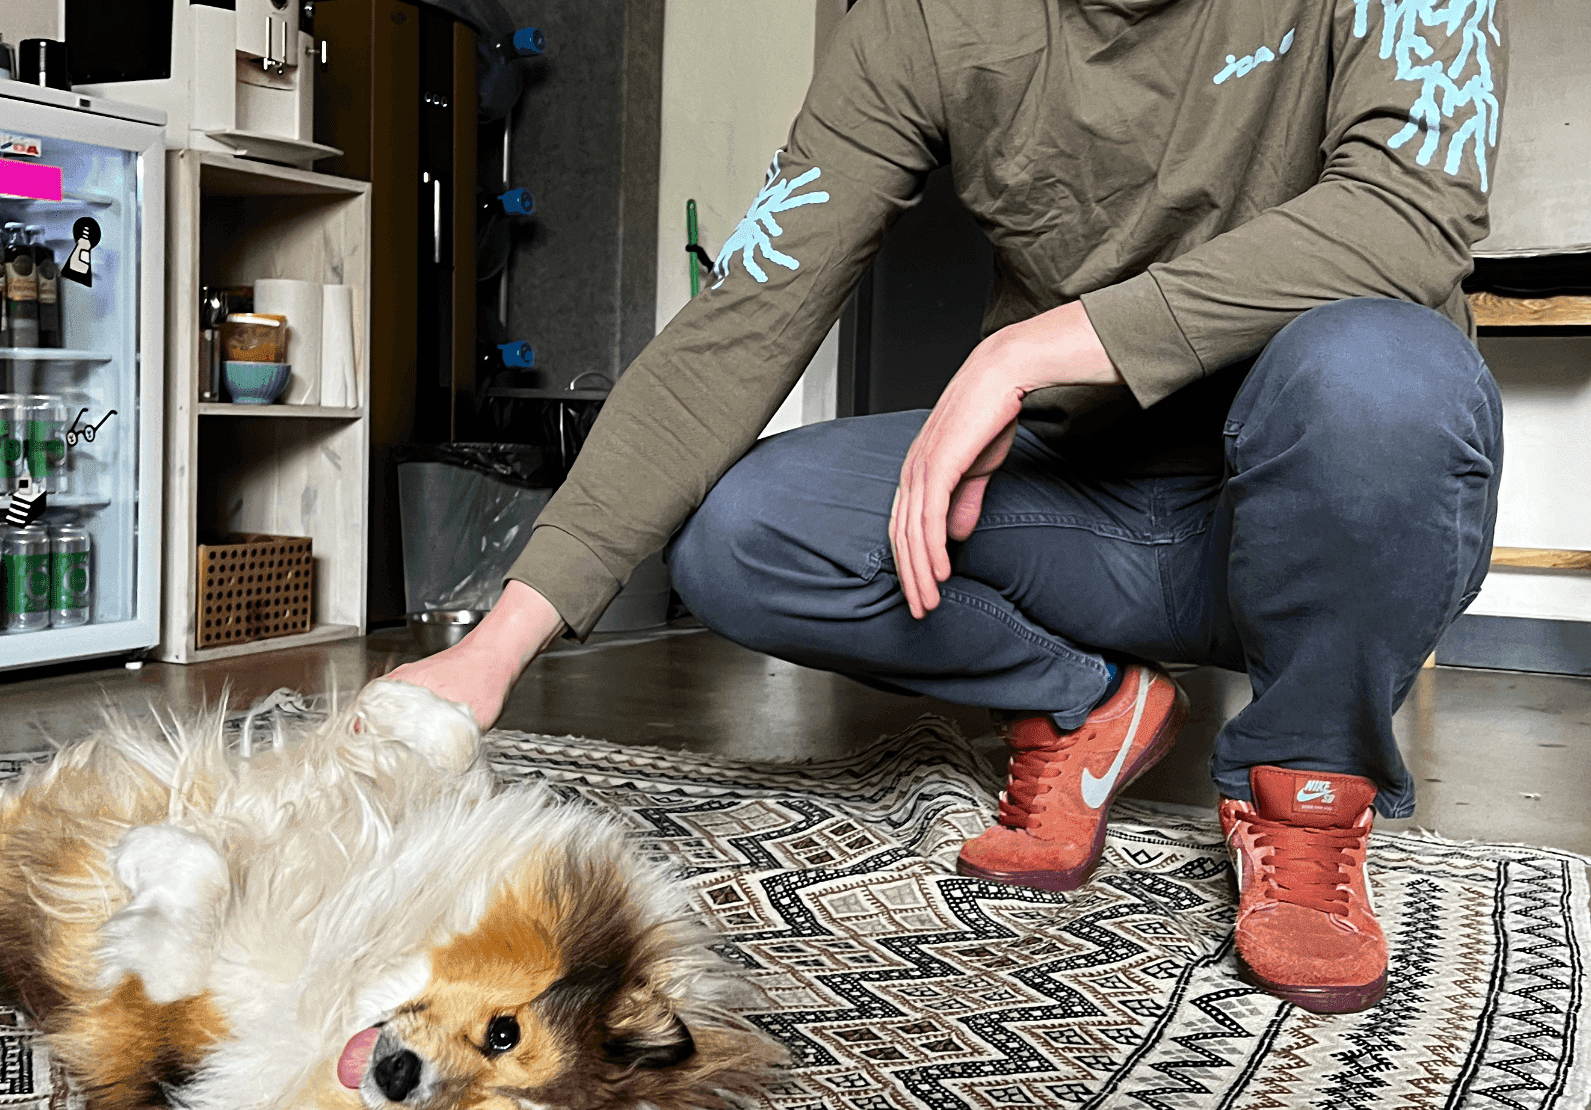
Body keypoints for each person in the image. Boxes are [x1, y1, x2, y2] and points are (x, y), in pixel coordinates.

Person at [391, 0, 1507, 1016]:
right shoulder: (920, 18)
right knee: (742, 534)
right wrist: (498, 643)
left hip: (1326, 509)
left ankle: (1306, 785)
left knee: (1384, 375)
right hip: (1086, 507)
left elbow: (1406, 217)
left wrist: (1030, 350)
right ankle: (1083, 703)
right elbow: (744, 315)